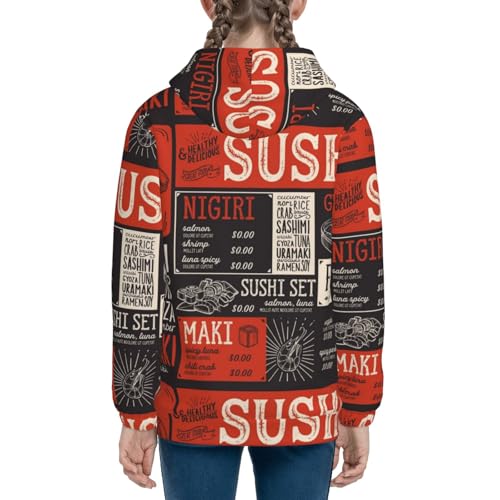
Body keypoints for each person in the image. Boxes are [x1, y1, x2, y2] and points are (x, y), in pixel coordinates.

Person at [110, 1, 385, 499]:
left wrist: (136, 408)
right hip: (305, 402)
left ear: (208, 3)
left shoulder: (156, 120)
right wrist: (357, 407)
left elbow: (138, 278)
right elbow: (358, 275)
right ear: (297, 4)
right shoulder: (342, 123)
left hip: (190, 398)